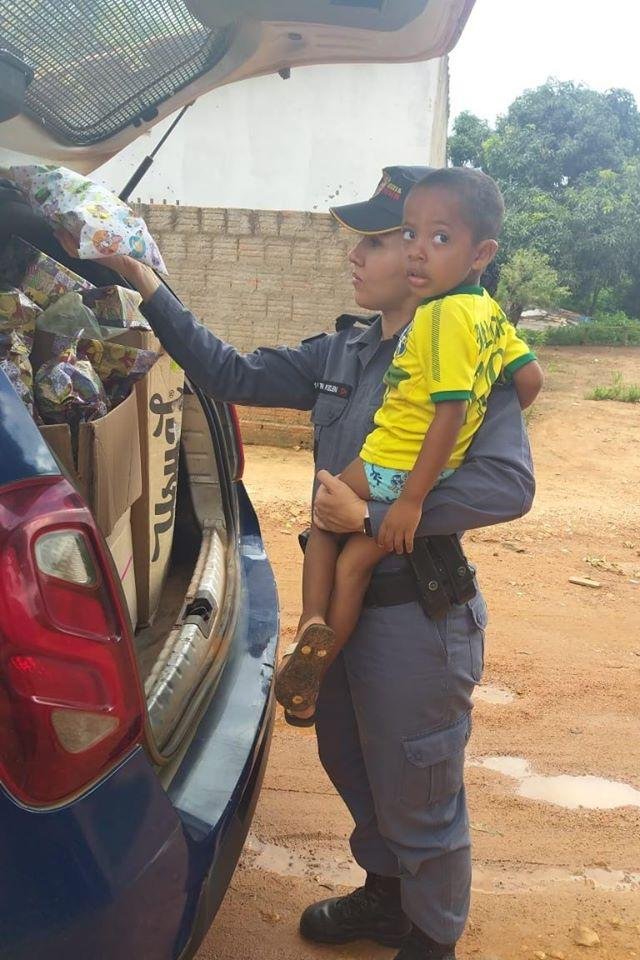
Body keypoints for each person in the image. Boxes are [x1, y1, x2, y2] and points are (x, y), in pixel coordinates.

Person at [82, 165, 535, 960]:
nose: (357, 256)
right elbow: (229, 372)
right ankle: (387, 897)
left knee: (418, 784)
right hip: (343, 618)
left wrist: (373, 517)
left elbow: (508, 484)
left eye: (378, 241)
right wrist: (147, 285)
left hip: (415, 613)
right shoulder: (344, 350)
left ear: (433, 257)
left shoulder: (467, 352)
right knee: (348, 757)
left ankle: (432, 937)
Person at [276, 167, 542, 724]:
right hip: (436, 472)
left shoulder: (440, 315)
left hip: (394, 465)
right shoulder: (488, 314)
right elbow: (529, 379)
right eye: (411, 235)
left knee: (325, 516)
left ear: (480, 253)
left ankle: (310, 624)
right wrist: (485, 410)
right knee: (356, 564)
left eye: (439, 238)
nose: (419, 250)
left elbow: (448, 411)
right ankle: (316, 672)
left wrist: (411, 501)